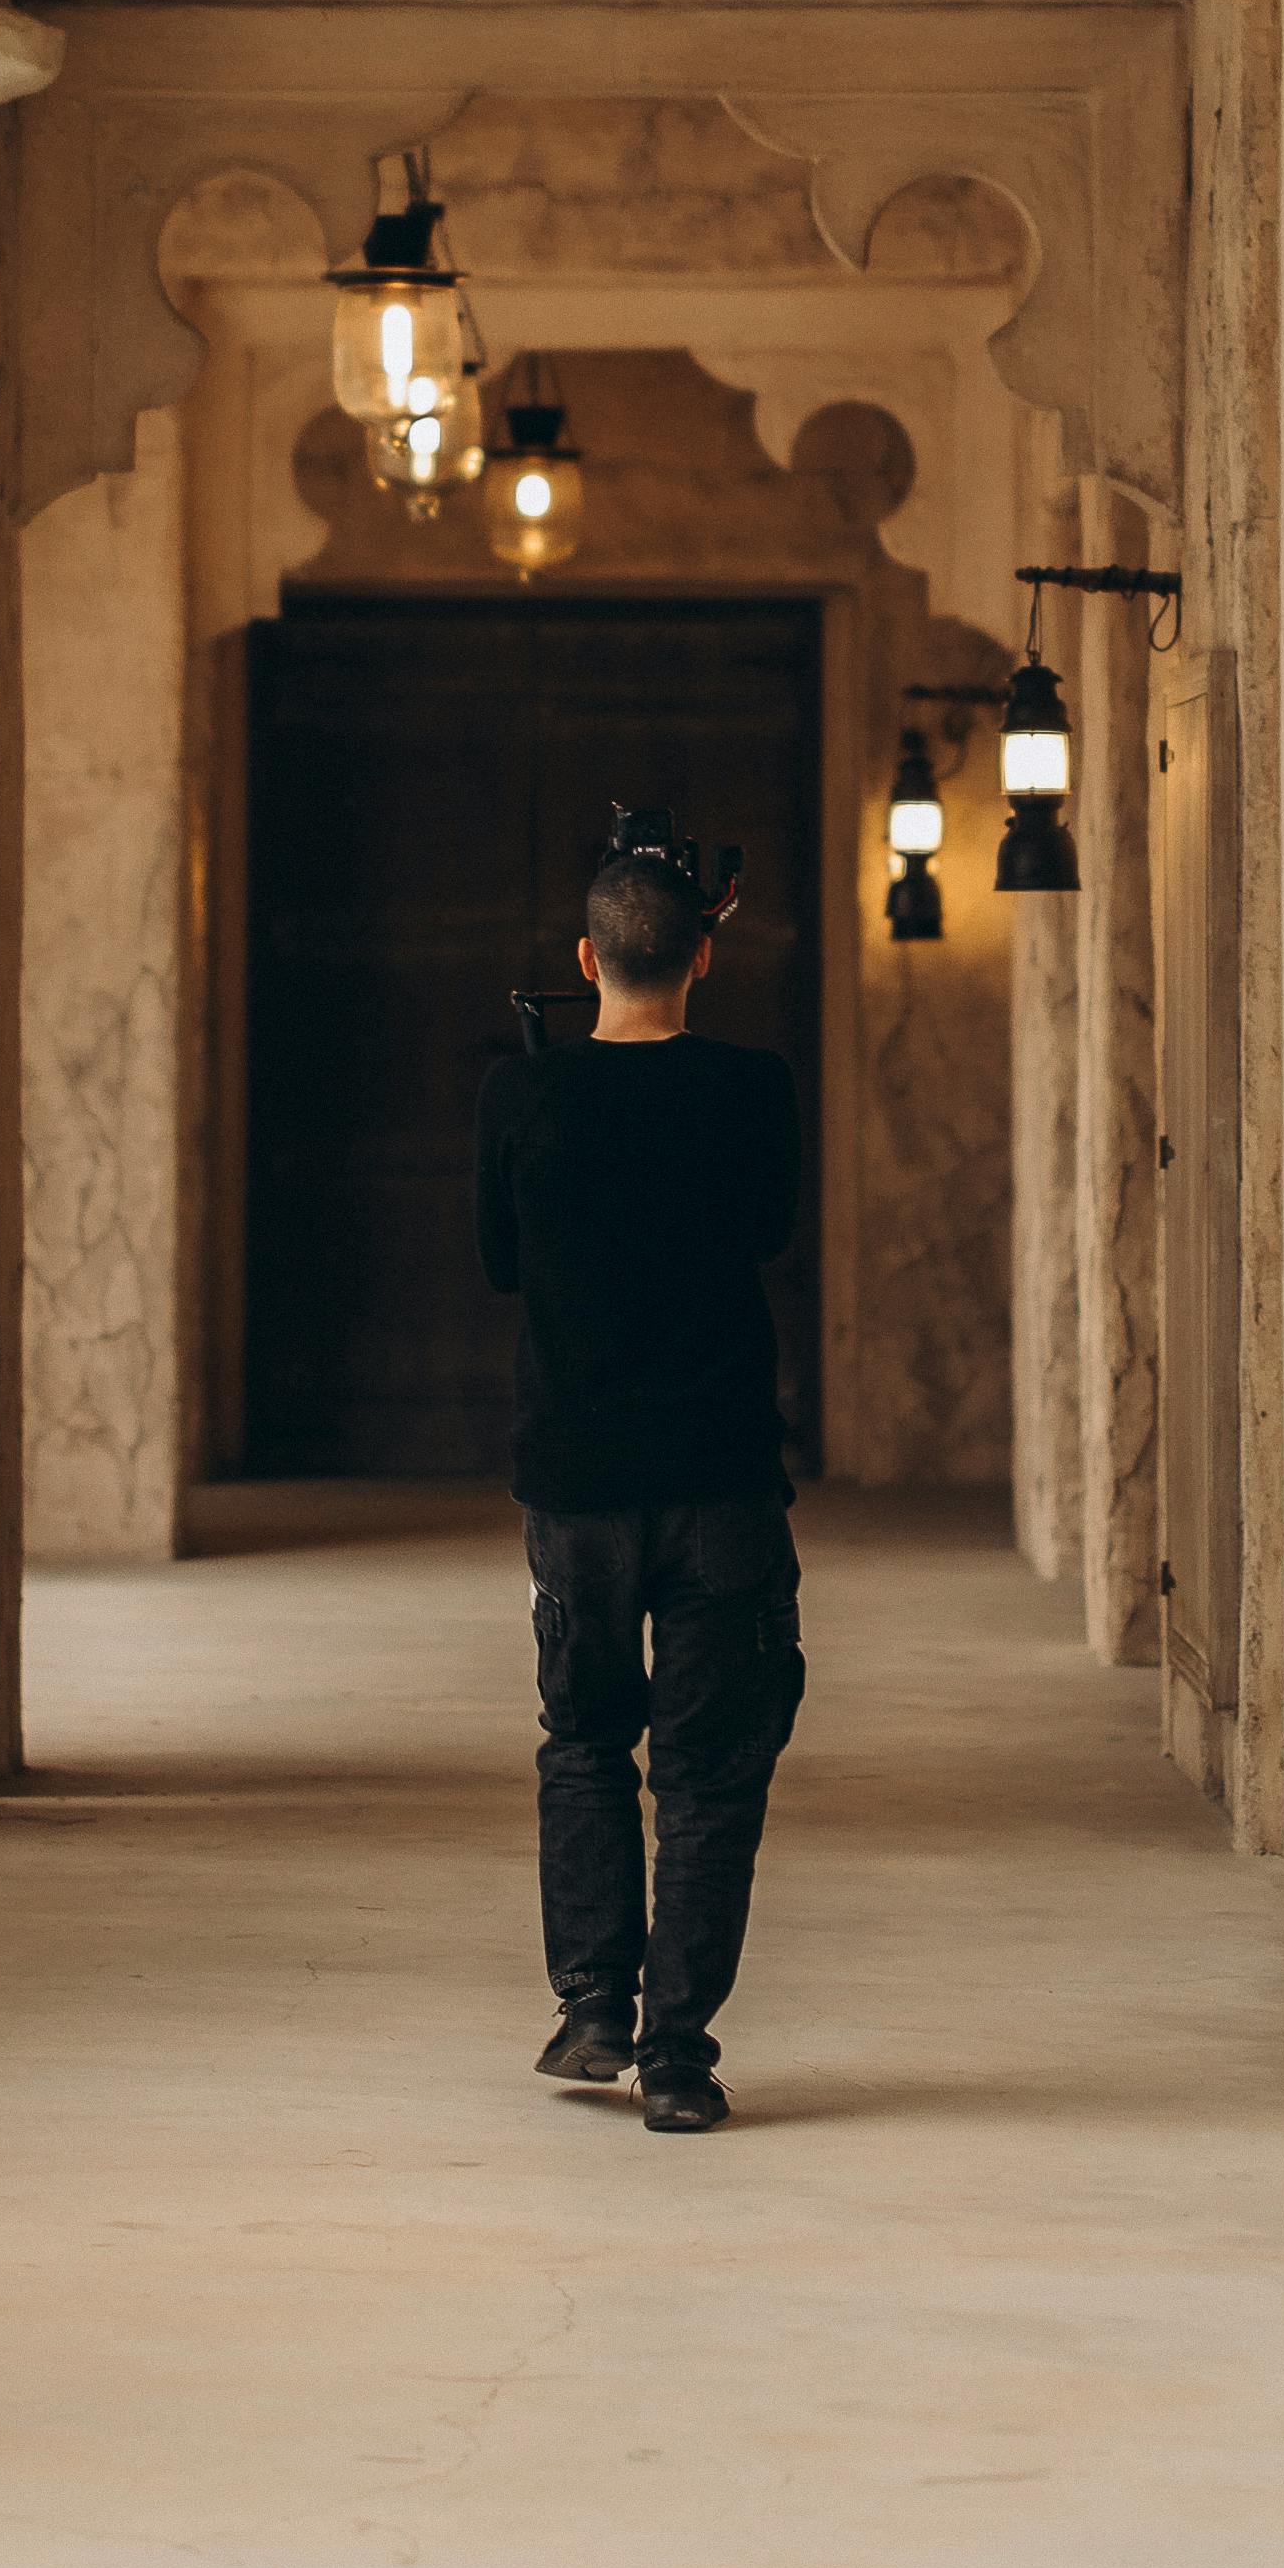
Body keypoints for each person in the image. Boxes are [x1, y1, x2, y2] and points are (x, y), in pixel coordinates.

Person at [473, 826, 805, 2134]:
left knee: (585, 1743)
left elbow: (501, 1263)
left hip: (577, 1473)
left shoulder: (521, 1094)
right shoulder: (754, 1086)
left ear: (585, 958)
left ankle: (592, 2006)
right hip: (720, 1469)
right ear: (704, 954)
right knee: (713, 1769)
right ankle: (679, 2055)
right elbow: (771, 1232)